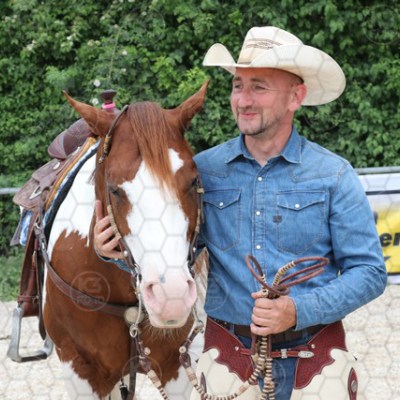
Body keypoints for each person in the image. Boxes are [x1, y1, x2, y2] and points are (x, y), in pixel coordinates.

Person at [94, 26, 387, 399]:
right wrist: (115, 253)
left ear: (296, 96)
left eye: (259, 87)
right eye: (238, 86)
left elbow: (369, 272)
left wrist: (298, 310)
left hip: (316, 357)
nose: (243, 100)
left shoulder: (334, 175)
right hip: (228, 357)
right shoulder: (202, 171)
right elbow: (174, 254)